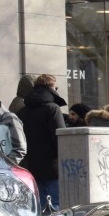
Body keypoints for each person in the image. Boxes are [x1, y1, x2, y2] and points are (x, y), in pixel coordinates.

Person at [19, 73, 67, 208]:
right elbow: (60, 137)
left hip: (31, 165)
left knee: (39, 206)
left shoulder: (22, 111)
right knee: (57, 206)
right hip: (52, 166)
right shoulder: (52, 108)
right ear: (53, 88)